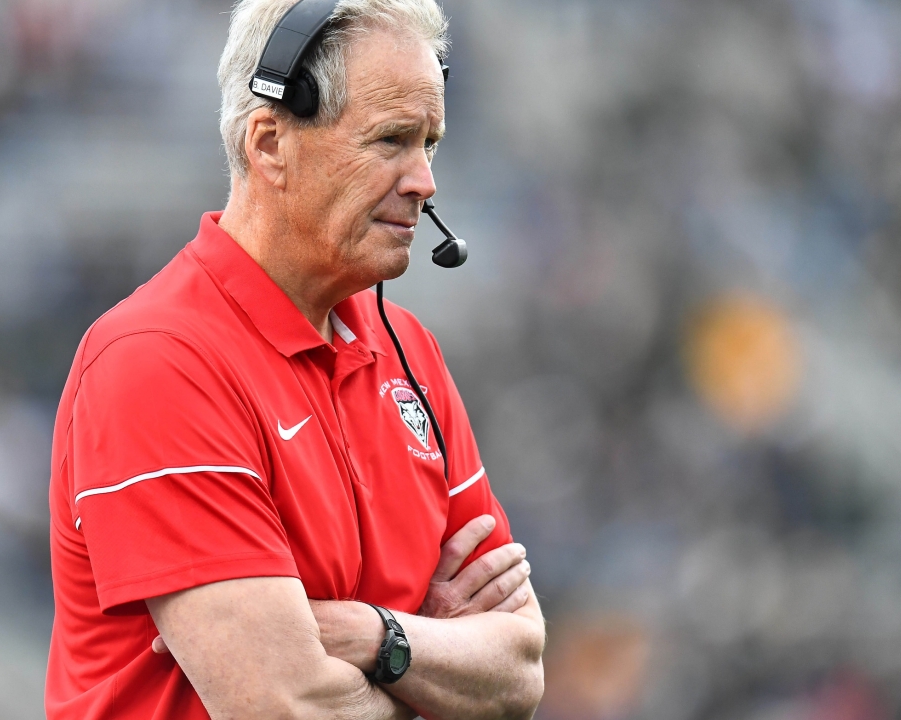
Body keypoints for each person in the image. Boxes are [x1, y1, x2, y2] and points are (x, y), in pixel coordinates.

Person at [44, 1, 545, 718]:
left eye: (428, 143)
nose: (424, 181)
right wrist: (435, 674)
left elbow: (519, 671)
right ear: (270, 142)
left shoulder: (410, 351)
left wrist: (376, 636)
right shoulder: (156, 362)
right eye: (391, 140)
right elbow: (285, 705)